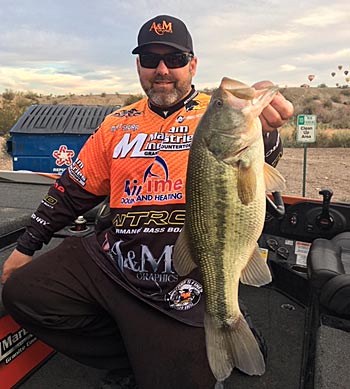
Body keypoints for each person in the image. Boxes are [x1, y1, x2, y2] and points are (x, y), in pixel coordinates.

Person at [1, 14, 293, 389]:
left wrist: (267, 130)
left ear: (192, 64)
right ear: (138, 65)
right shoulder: (115, 124)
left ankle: (194, 332)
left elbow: (259, 161)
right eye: (150, 59)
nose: (162, 70)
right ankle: (134, 350)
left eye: (173, 59)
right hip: (113, 264)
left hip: (183, 279)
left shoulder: (214, 114)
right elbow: (72, 189)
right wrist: (25, 248)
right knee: (23, 294)